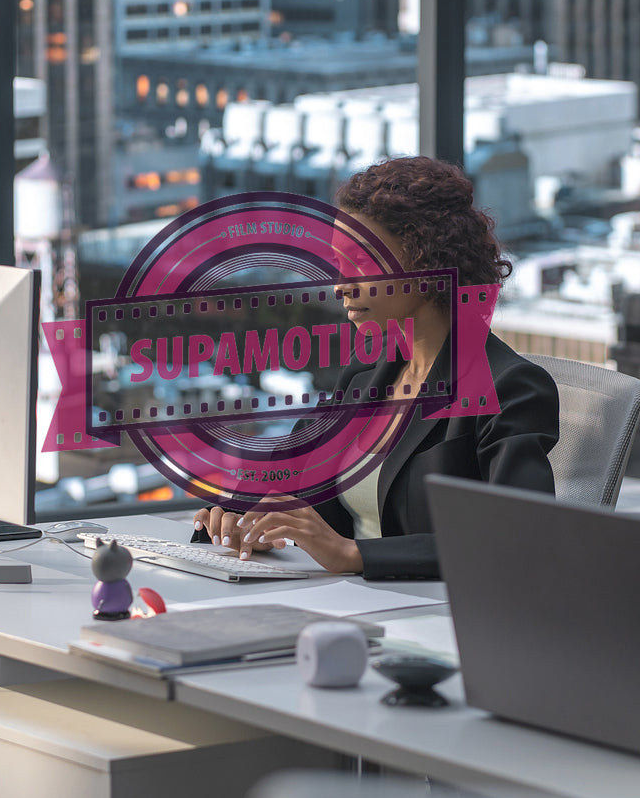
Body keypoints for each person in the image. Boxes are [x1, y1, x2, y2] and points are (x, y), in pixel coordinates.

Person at [192, 156, 560, 579]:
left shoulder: (511, 387)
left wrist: (354, 555)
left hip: (436, 618)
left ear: (426, 262)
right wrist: (231, 516)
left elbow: (521, 540)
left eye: (362, 263)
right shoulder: (366, 376)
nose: (342, 285)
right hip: (344, 604)